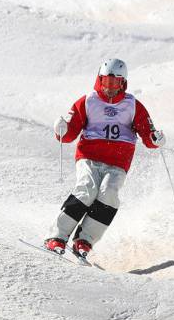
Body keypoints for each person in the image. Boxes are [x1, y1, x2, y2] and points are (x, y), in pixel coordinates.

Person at [45, 58, 165, 260]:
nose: (109, 88)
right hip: (89, 157)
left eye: (114, 83)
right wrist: (62, 129)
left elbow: (148, 135)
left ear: (123, 83)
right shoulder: (88, 101)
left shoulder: (133, 105)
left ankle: (84, 240)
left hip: (118, 163)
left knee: (109, 194)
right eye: (105, 82)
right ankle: (57, 237)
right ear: (99, 80)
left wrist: (155, 138)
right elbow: (69, 134)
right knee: (87, 189)